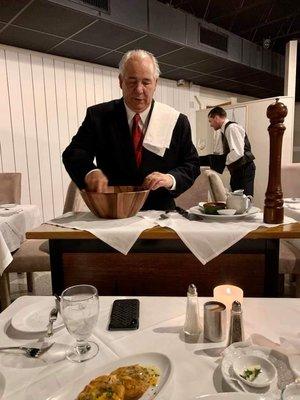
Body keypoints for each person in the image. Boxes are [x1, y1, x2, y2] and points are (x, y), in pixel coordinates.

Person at [62, 49, 199, 211]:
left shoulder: (176, 121)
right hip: (113, 211)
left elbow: (191, 164)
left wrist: (170, 179)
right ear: (121, 81)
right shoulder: (98, 116)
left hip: (160, 213)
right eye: (132, 81)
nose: (139, 89)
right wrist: (90, 172)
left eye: (146, 82)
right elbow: (74, 153)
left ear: (156, 83)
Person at [206, 106, 256, 196]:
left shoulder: (232, 128)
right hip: (238, 169)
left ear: (216, 118)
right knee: (236, 199)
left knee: (244, 200)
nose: (210, 125)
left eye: (210, 121)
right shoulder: (225, 130)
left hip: (244, 169)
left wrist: (220, 162)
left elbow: (237, 153)